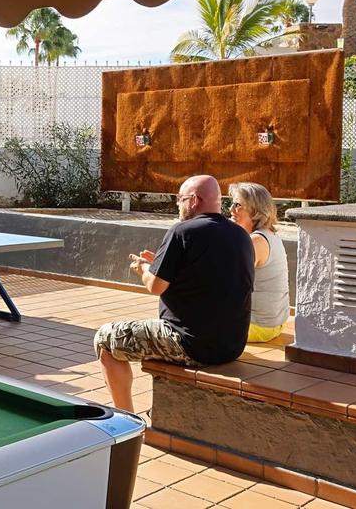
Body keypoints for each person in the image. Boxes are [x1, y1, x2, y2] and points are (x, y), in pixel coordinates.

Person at [94, 175, 254, 412]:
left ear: (194, 200)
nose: (178, 205)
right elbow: (205, 276)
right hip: (231, 344)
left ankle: (125, 418)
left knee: (105, 338)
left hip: (189, 343)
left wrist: (143, 269)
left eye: (180, 199)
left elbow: (155, 286)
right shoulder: (241, 235)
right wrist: (158, 265)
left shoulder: (182, 231)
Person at [229, 182, 289, 343]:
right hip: (274, 324)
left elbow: (232, 284)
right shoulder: (269, 234)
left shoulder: (255, 241)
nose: (231, 209)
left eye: (237, 205)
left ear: (255, 210)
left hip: (257, 326)